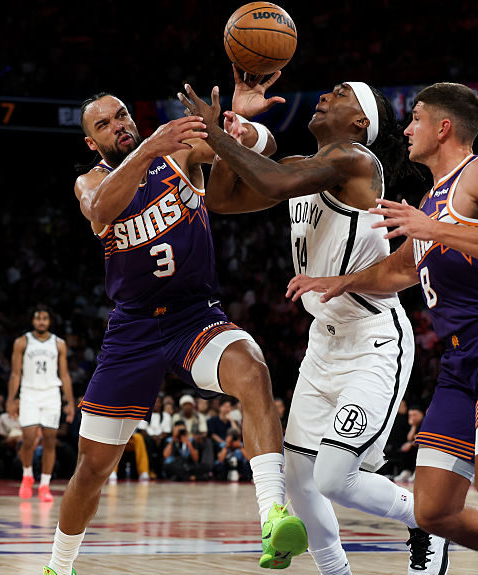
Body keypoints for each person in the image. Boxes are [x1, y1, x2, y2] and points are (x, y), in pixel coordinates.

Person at [285, 82, 478, 575]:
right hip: (459, 363)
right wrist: (339, 281)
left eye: (416, 119)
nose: (406, 129)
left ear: (443, 127)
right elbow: (399, 270)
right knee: (433, 510)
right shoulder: (429, 201)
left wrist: (439, 228)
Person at [180, 71, 449, 575]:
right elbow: (223, 199)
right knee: (299, 481)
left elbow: (274, 182)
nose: (327, 94)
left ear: (360, 121)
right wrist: (231, 133)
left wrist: (213, 131)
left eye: (342, 94)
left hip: (373, 340)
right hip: (323, 345)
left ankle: (425, 520)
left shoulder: (355, 161)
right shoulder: (304, 167)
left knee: (332, 477)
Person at [44, 92, 305, 575]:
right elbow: (100, 209)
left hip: (194, 316)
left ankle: (273, 515)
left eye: (121, 114)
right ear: (91, 141)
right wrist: (146, 151)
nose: (118, 125)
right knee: (92, 470)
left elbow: (263, 150)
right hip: (134, 329)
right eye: (104, 124)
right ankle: (60, 566)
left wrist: (240, 126)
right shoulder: (92, 180)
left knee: (252, 370)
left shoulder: (178, 153)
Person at [9, 305, 75, 503]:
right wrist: (11, 399)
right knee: (28, 439)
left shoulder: (59, 343)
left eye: (45, 318)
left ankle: (45, 485)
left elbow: (64, 374)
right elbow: (15, 373)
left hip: (51, 394)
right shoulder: (22, 342)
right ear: (32, 321)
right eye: (38, 318)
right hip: (29, 393)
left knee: (49, 439)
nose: (41, 322)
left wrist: (70, 401)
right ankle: (27, 474)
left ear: (49, 321)